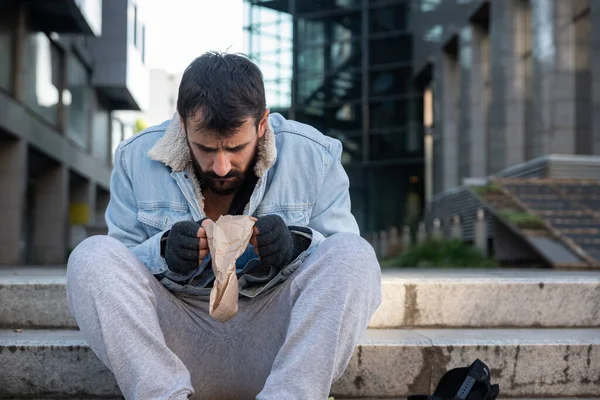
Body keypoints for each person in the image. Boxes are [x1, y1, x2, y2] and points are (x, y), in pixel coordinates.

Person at [66, 51, 381, 400]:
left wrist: (296, 246)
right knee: (90, 255)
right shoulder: (133, 157)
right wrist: (162, 253)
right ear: (182, 124)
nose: (220, 166)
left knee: (356, 253)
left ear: (262, 125)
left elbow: (341, 268)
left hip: (280, 344)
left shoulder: (316, 155)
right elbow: (117, 269)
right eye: (205, 148)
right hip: (177, 338)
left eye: (235, 148)